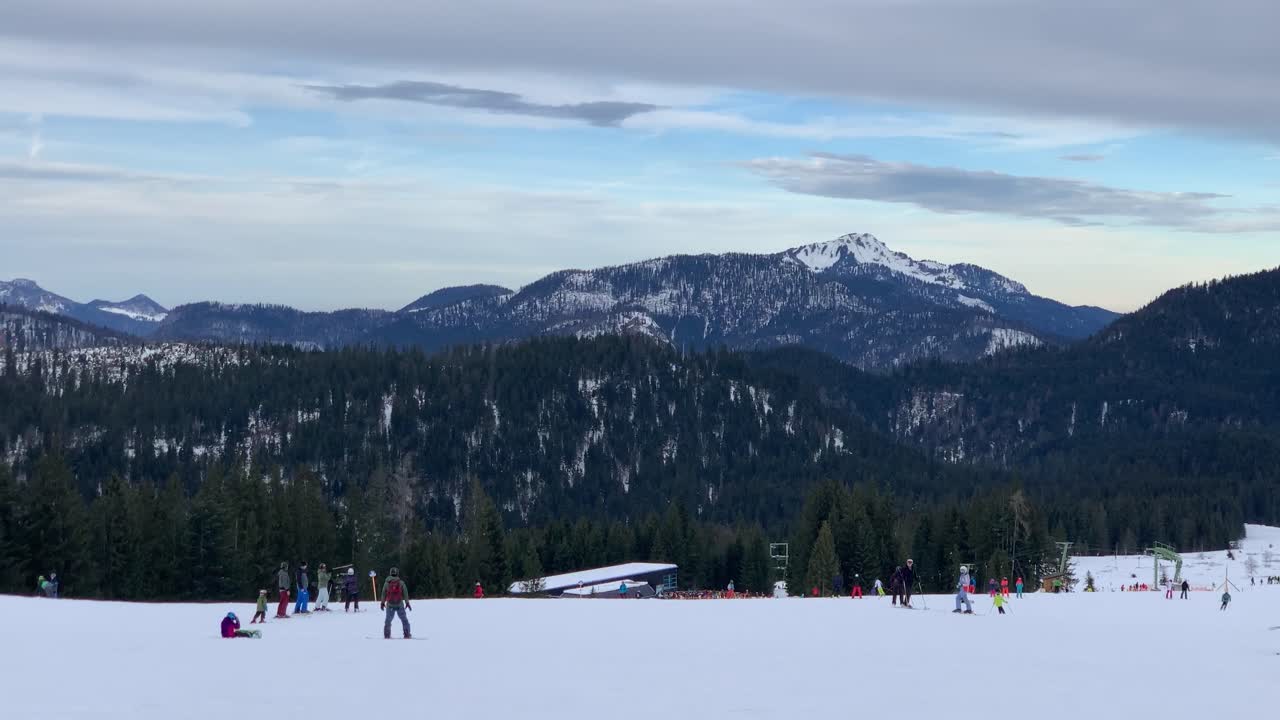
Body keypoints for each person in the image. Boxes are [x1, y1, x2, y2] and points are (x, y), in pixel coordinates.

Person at [381, 567, 412, 639]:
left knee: (388, 620)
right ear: (397, 573)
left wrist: (382, 603)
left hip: (390, 605)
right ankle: (407, 634)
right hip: (399, 604)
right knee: (404, 620)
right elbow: (405, 593)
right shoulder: (401, 583)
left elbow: (383, 593)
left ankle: (387, 635)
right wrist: (407, 602)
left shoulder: (386, 583)